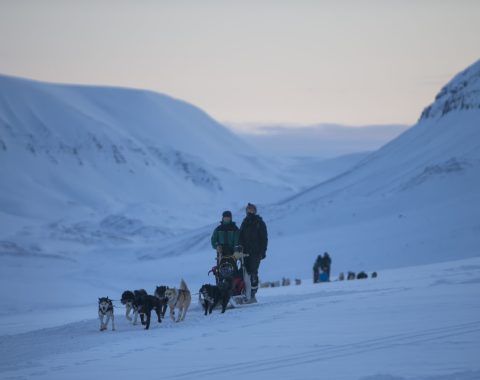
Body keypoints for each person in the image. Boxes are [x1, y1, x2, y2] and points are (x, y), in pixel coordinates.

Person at [239, 203, 268, 302]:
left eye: (252, 210)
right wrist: (239, 249)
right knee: (243, 273)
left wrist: (263, 251)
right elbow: (240, 237)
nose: (250, 211)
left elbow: (264, 239)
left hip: (255, 253)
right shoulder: (244, 222)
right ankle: (244, 293)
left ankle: (252, 294)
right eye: (248, 210)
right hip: (244, 253)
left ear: (255, 211)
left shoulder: (259, 222)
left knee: (253, 273)